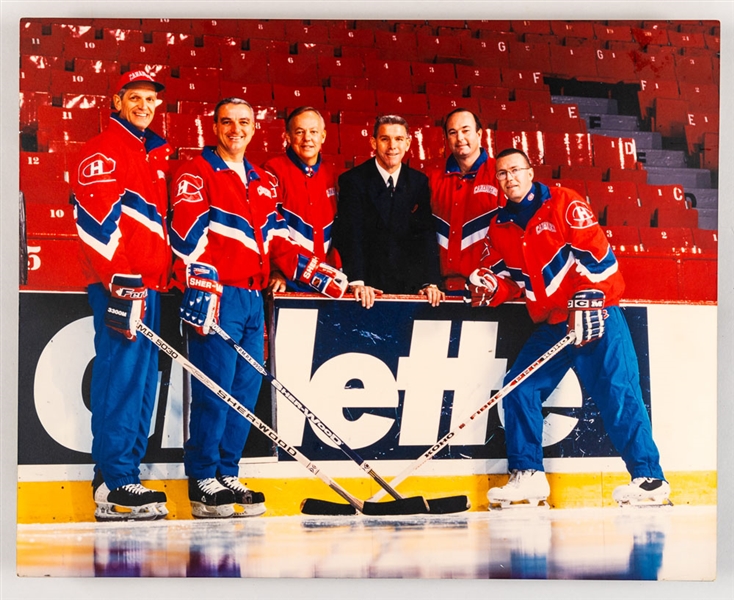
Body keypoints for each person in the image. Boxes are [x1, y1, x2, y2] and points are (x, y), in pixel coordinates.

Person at [169, 97, 347, 519]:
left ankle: (228, 471)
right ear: (215, 127)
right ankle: (202, 480)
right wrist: (198, 280)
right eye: (228, 122)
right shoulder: (195, 171)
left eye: (244, 122)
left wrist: (315, 271)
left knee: (245, 392)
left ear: (254, 128)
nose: (236, 129)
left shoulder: (261, 180)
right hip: (219, 295)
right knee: (214, 390)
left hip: (253, 299)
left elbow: (277, 240)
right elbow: (185, 233)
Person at [466, 148, 670, 509]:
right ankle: (528, 476)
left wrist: (592, 299)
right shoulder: (500, 226)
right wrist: (490, 285)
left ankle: (650, 478)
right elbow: (509, 280)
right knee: (518, 388)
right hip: (554, 324)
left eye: (515, 170)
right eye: (501, 174)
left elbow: (602, 262)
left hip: (598, 316)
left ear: (531, 173)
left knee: (619, 395)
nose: (509, 178)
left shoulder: (565, 204)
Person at [71, 70, 172, 521]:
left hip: (152, 290)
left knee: (144, 386)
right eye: (135, 98)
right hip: (123, 288)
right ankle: (114, 481)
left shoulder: (149, 154)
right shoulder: (100, 152)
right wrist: (122, 281)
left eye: (151, 99)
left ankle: (122, 477)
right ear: (117, 101)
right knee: (121, 382)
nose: (144, 106)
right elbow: (96, 226)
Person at [333, 114, 444, 309]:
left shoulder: (419, 182)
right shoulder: (353, 180)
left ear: (408, 143)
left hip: (408, 286)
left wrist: (429, 282)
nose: (392, 146)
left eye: (399, 139)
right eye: (385, 139)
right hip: (368, 290)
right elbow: (351, 234)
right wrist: (357, 281)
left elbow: (424, 236)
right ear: (373, 142)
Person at [262, 106, 340, 293]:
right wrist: (274, 270)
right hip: (288, 279)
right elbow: (265, 227)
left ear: (323, 136)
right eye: (300, 132)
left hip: (326, 279)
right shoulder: (272, 170)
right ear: (287, 137)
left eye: (313, 132)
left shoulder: (333, 174)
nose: (307, 138)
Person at [429, 108, 502, 293]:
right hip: (439, 290)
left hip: (486, 289)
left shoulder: (501, 174)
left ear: (479, 134)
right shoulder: (432, 178)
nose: (460, 138)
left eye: (465, 130)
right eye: (453, 132)